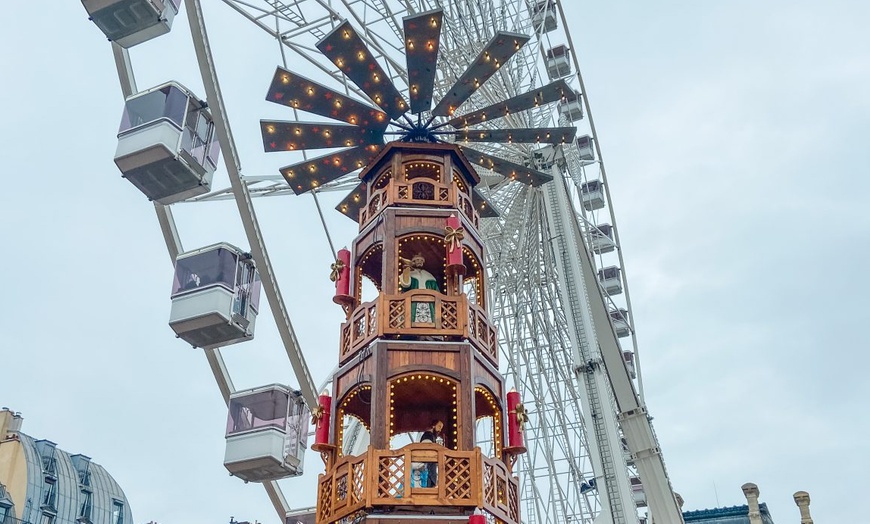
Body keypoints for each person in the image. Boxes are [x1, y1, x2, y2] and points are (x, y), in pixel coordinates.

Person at [399, 254, 440, 323]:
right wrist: (407, 270)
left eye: (421, 260)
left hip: (428, 304)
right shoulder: (410, 274)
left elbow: (437, 292)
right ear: (413, 261)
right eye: (417, 260)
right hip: (413, 303)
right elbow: (406, 284)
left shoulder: (429, 276)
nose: (419, 262)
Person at [419, 420, 444, 487]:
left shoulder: (430, 436)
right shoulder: (428, 435)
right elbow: (427, 450)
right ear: (433, 426)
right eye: (439, 426)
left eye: (441, 428)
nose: (440, 430)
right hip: (428, 465)